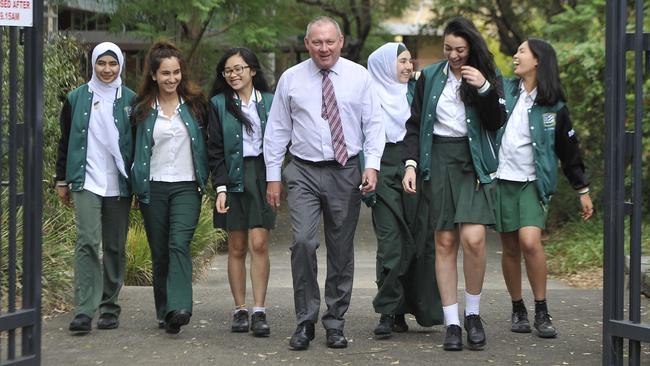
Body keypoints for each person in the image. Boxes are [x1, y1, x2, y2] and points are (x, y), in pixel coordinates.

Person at [264, 16, 385, 350]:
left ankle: (335, 321)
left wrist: (371, 166)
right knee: (303, 242)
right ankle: (305, 321)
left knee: (341, 250)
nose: (324, 48)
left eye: (329, 41)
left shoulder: (359, 77)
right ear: (307, 44)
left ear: (341, 41)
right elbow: (276, 130)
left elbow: (374, 124)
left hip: (345, 170)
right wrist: (273, 176)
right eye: (316, 42)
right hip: (302, 170)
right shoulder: (291, 79)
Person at [402, 17, 505, 351]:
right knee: (444, 241)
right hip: (439, 161)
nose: (454, 55)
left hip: (472, 161)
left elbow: (497, 121)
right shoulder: (430, 77)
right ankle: (452, 323)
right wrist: (411, 164)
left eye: (460, 49)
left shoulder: (486, 76)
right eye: (448, 48)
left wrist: (484, 88)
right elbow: (415, 125)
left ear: (471, 48)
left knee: (473, 239)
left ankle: (473, 314)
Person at [495, 38, 593, 338]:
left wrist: (582, 190)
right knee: (510, 247)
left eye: (522, 51)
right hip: (501, 179)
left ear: (538, 60)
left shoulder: (555, 106)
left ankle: (541, 309)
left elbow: (569, 150)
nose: (515, 55)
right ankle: (517, 308)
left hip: (533, 183)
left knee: (529, 242)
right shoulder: (504, 91)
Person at [131, 41, 209, 335]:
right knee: (160, 250)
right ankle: (165, 311)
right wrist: (135, 184)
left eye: (176, 73)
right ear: (153, 75)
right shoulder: (140, 109)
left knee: (179, 243)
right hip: (153, 187)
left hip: (187, 186)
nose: (171, 79)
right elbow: (132, 150)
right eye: (165, 73)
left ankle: (180, 307)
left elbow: (209, 143)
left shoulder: (196, 106)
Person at [56, 42, 134, 334]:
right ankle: (84, 310)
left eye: (112, 64)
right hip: (85, 178)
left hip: (119, 181)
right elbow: (65, 140)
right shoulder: (77, 98)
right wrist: (61, 179)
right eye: (101, 63)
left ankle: (110, 306)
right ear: (92, 64)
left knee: (114, 245)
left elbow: (138, 144)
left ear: (120, 65)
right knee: (87, 240)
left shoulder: (130, 100)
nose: (107, 69)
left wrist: (138, 185)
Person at [366, 42, 442, 339]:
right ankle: (387, 311)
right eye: (402, 61)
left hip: (415, 168)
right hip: (382, 167)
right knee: (391, 243)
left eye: (410, 61)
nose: (409, 66)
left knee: (418, 239)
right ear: (386, 64)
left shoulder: (416, 92)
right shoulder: (369, 95)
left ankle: (408, 309)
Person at [207, 47, 275, 337]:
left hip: (261, 175)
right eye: (228, 70)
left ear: (253, 71)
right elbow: (214, 149)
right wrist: (220, 187)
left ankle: (259, 310)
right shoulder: (219, 104)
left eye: (239, 69)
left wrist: (276, 179)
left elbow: (281, 141)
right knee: (236, 246)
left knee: (259, 243)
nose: (233, 74)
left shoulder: (270, 102)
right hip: (232, 177)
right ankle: (240, 308)